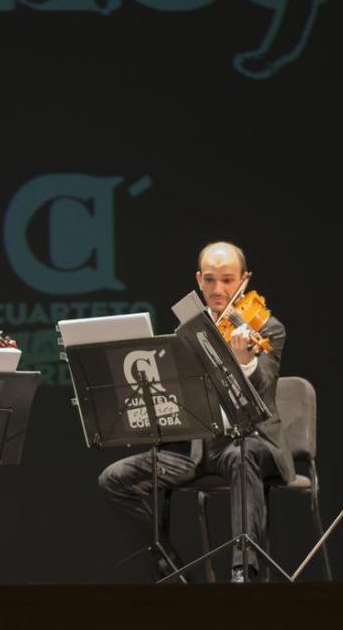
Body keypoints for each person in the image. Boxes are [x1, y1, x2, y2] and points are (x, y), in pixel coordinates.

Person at [98, 241, 296, 583]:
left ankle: (242, 573)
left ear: (244, 280)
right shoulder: (188, 329)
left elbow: (264, 388)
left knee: (241, 456)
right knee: (114, 479)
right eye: (209, 280)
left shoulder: (266, 328)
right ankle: (169, 569)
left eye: (228, 280)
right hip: (192, 447)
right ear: (198, 280)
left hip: (249, 440)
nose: (218, 290)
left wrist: (247, 361)